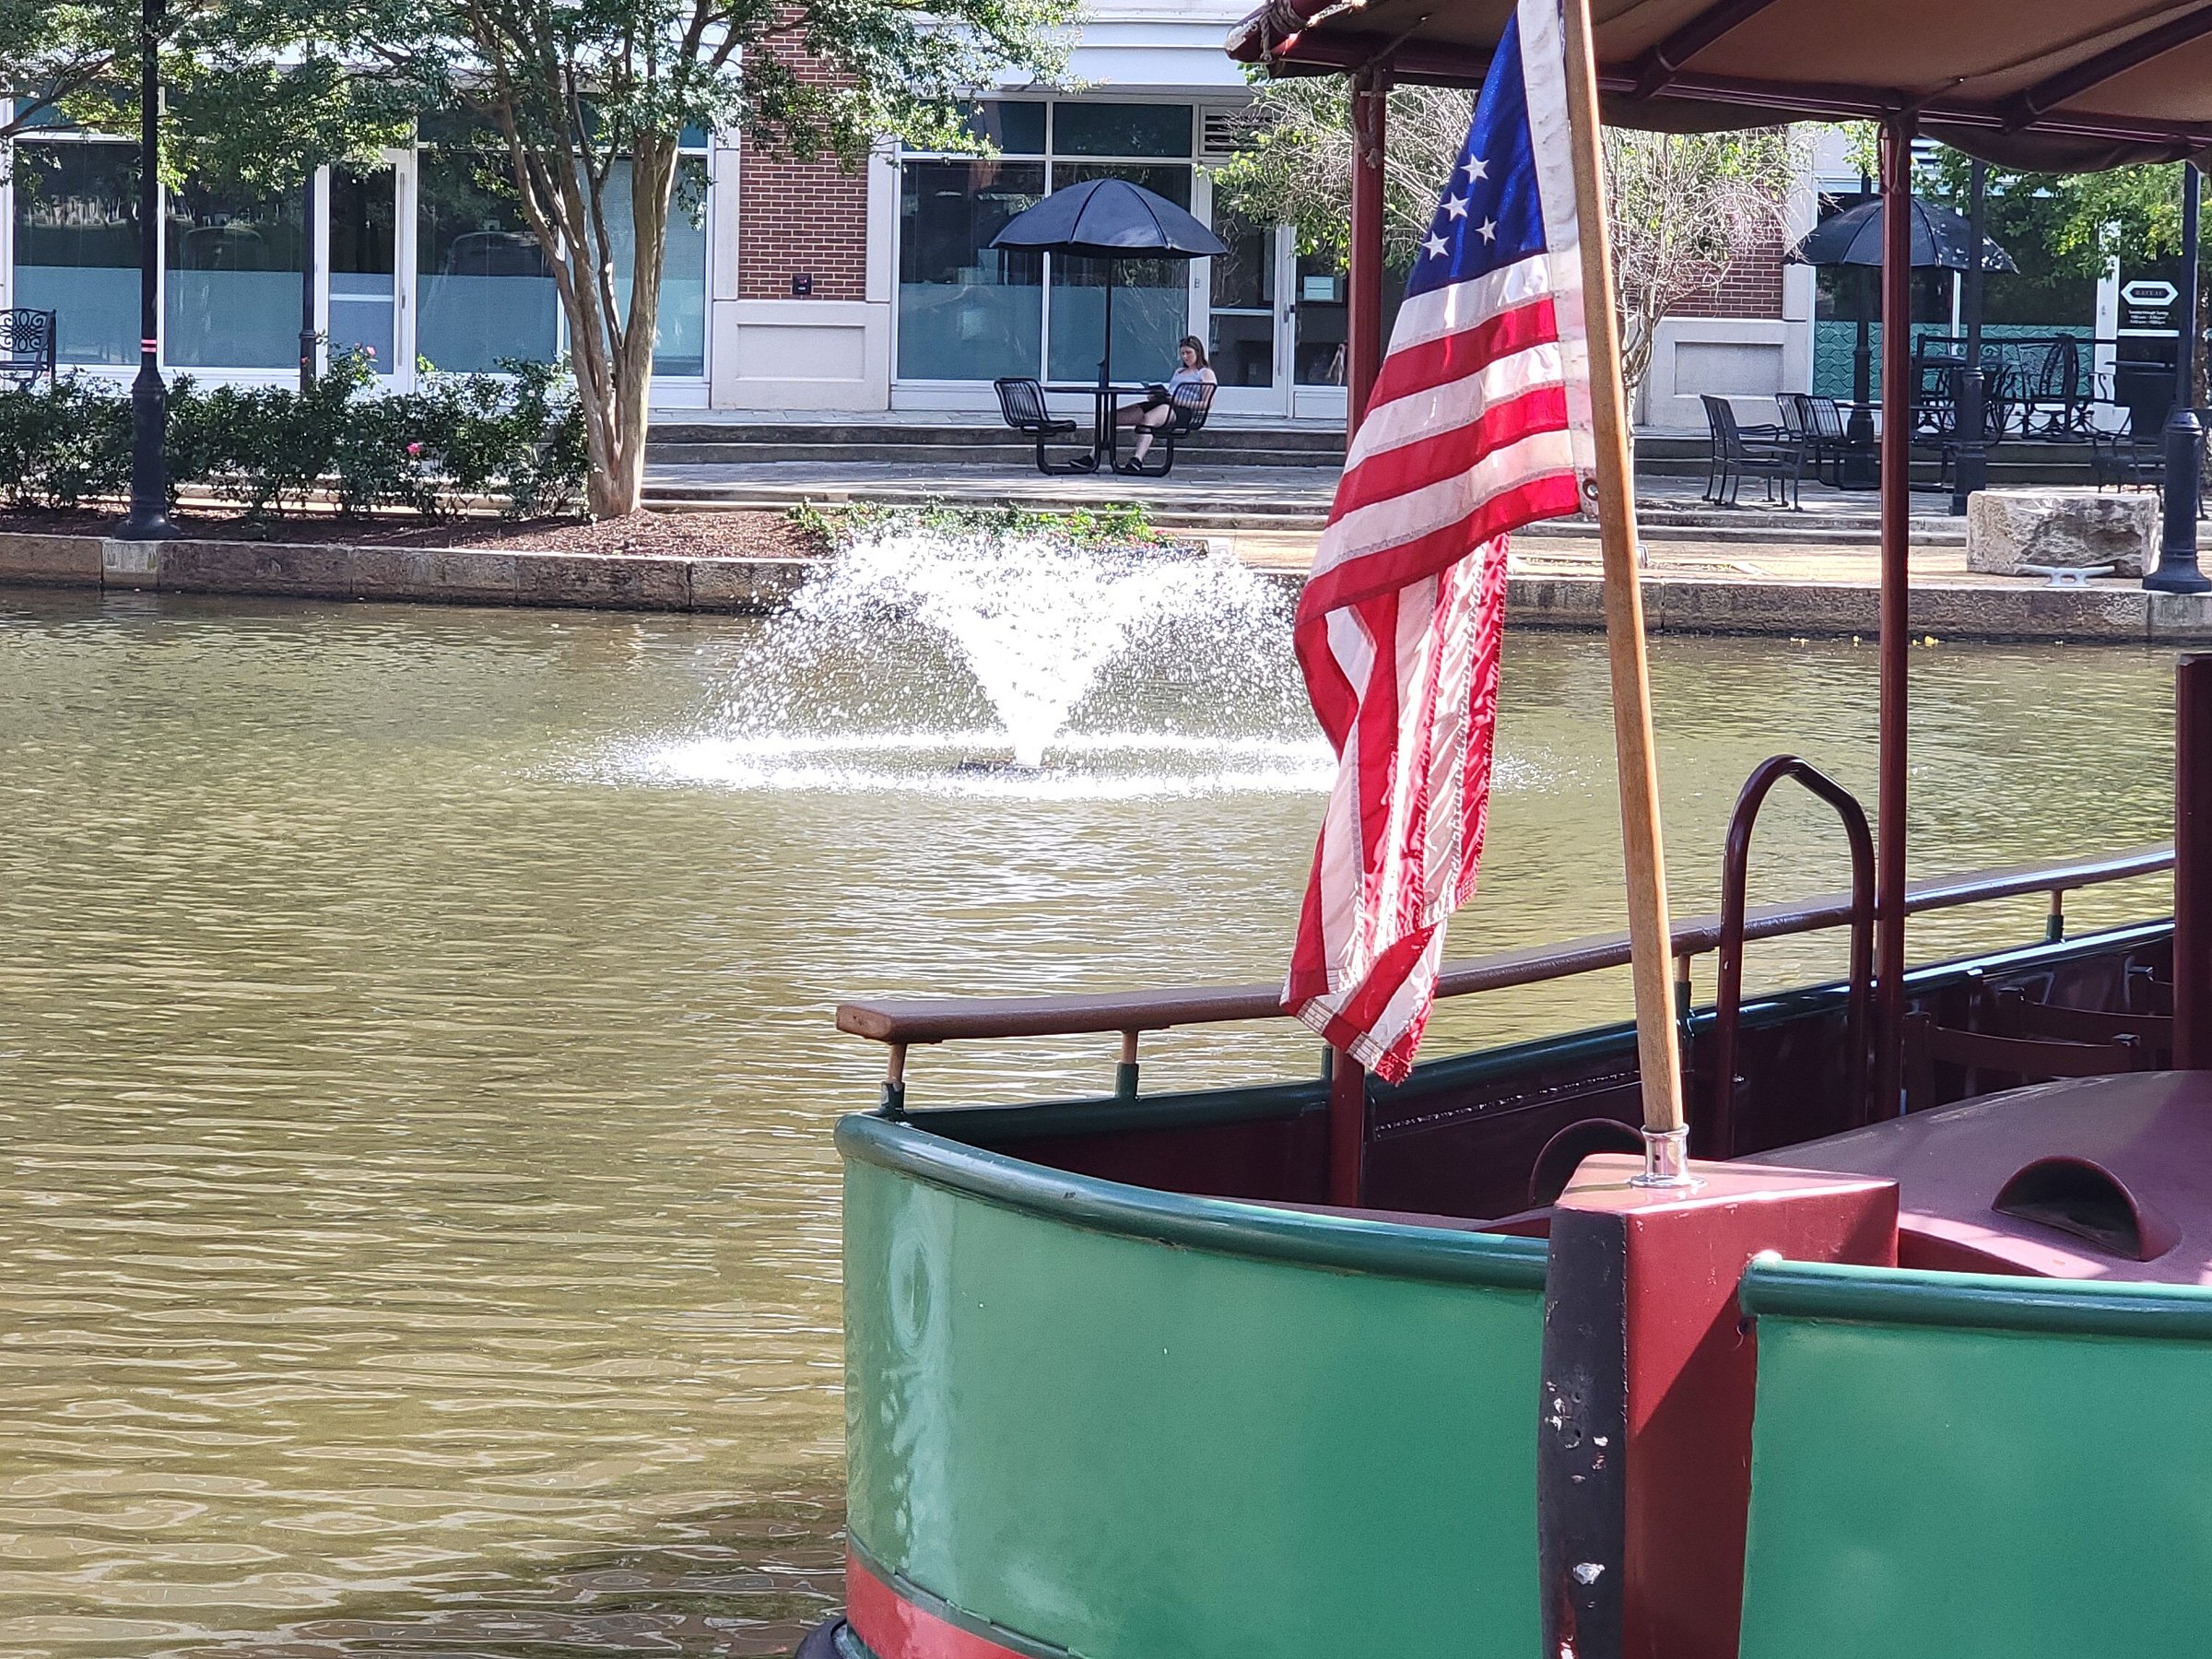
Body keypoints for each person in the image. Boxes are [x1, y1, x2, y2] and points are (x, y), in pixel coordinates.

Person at [1113, 336, 1215, 471]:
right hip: (1166, 403)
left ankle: (1137, 459)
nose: (1185, 357)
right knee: (1112, 416)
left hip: (1182, 410)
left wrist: (1179, 401)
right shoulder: (1179, 371)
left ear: (1198, 352)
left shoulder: (1205, 373)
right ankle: (1094, 455)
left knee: (1149, 418)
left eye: (1188, 353)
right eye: (1182, 353)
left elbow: (1207, 404)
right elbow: (1170, 391)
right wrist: (1158, 395)